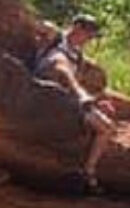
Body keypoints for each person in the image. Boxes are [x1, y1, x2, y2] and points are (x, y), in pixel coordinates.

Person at [32, 13, 117, 190]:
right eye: (88, 34)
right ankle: (81, 97)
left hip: (65, 99)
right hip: (42, 86)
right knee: (60, 62)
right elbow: (37, 25)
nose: (89, 40)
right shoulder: (57, 38)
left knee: (107, 127)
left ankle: (88, 171)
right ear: (77, 29)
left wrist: (98, 100)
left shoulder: (77, 56)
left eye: (92, 37)